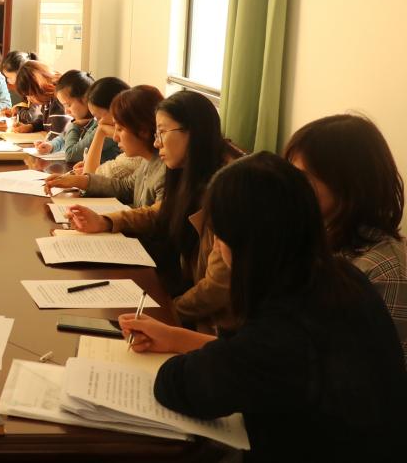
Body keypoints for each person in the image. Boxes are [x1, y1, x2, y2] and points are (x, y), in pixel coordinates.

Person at [119, 153, 406, 460]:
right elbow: (248, 356)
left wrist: (183, 350)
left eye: (218, 234)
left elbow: (177, 385)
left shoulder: (282, 333)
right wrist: (175, 337)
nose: (215, 245)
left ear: (242, 242)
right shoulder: (338, 276)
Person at [68, 90, 235, 329]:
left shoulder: (225, 192)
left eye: (162, 133)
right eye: (157, 134)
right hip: (182, 297)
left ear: (194, 132)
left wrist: (166, 313)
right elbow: (160, 211)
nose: (156, 143)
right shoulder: (186, 174)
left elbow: (216, 288)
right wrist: (105, 221)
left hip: (210, 325)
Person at [284, 114, 407, 364]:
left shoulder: (384, 270)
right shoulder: (319, 245)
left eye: (303, 179)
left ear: (347, 182)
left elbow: (383, 375)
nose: (291, 189)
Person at [44, 85, 165, 209]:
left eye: (120, 129)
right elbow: (125, 188)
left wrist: (104, 219)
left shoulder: (164, 172)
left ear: (143, 131)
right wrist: (75, 180)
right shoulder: (147, 161)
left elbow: (152, 218)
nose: (115, 137)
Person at [34, 71, 121, 164]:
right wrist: (51, 145)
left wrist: (74, 125)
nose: (66, 111)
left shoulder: (105, 125)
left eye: (68, 105)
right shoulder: (90, 121)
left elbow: (71, 155)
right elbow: (64, 136)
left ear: (86, 99)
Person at [12, 60, 65, 138]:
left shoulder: (58, 102)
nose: (29, 99)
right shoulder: (47, 102)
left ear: (40, 87)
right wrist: (31, 127)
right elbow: (44, 122)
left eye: (30, 95)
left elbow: (57, 136)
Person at [0, 51, 39, 120]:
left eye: (9, 77)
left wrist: (17, 112)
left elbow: (31, 116)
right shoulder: (26, 89)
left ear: (21, 74)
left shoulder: (35, 89)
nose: (8, 80)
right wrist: (16, 109)